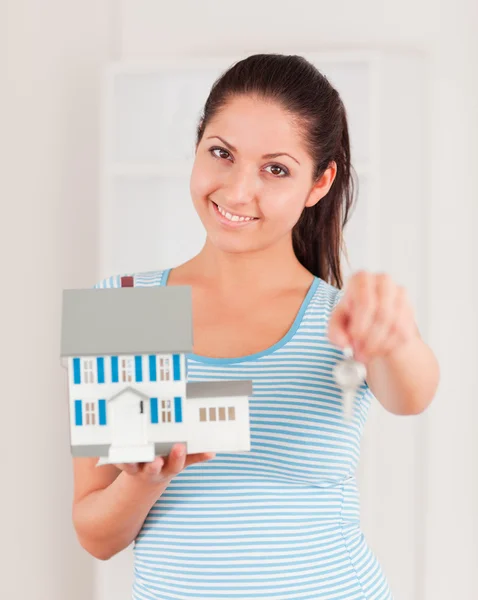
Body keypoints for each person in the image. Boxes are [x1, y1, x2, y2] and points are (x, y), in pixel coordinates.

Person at [72, 53, 440, 599]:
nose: (239, 191)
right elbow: (96, 536)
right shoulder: (125, 307)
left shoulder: (342, 319)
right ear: (197, 148)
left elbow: (413, 395)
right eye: (222, 153)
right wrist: (143, 480)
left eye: (276, 168)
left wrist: (395, 332)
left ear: (320, 182)